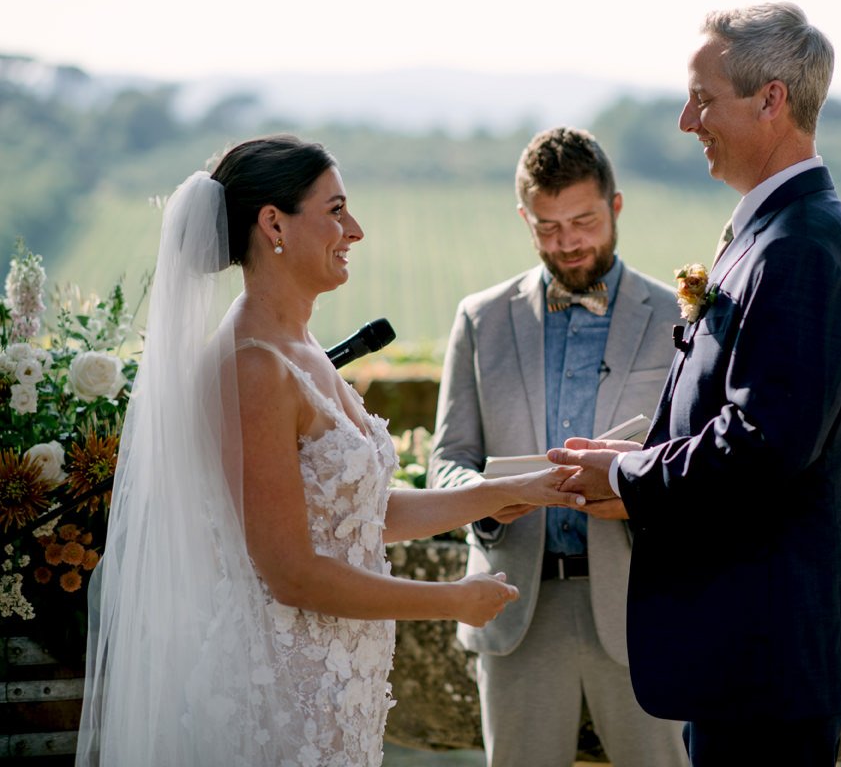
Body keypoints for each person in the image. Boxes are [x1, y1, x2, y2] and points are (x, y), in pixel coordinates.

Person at [75, 134, 582, 767]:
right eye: (337, 210)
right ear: (273, 224)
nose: (357, 230)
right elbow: (291, 573)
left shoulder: (302, 347)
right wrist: (452, 598)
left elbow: (356, 513)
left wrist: (505, 491)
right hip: (277, 687)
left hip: (338, 679)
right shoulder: (251, 368)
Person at [548, 3, 841, 766]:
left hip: (767, 651)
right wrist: (637, 457)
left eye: (703, 99)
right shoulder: (773, 232)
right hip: (750, 645)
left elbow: (764, 446)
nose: (684, 120)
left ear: (771, 99)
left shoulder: (800, 246)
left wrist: (630, 475)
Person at [428, 127, 688, 767]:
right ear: (524, 217)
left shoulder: (680, 317)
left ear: (616, 206)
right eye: (547, 227)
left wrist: (639, 492)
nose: (568, 242)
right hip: (516, 607)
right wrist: (487, 500)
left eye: (583, 220)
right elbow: (447, 461)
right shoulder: (479, 319)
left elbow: (697, 460)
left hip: (643, 606)